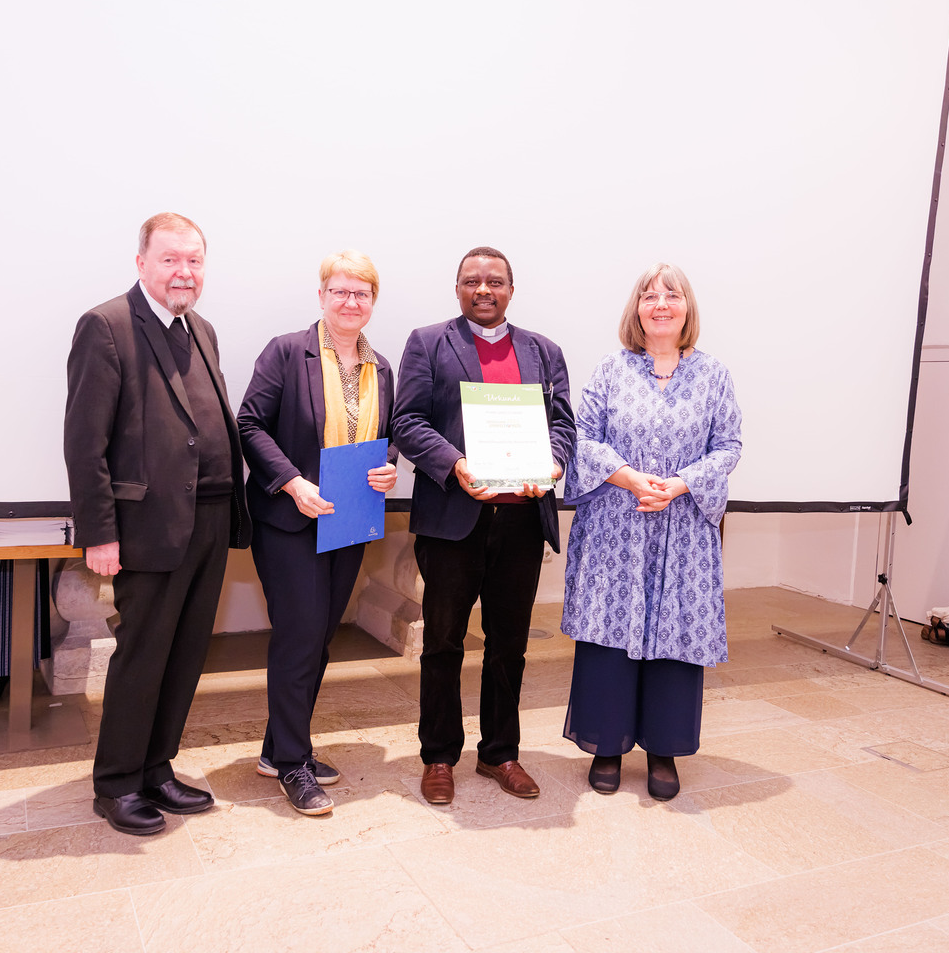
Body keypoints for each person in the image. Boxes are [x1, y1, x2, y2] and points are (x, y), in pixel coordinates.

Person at [64, 212, 251, 835]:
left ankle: (156, 767)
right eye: (171, 259)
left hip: (209, 519)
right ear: (142, 263)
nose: (184, 272)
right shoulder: (107, 326)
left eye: (194, 261)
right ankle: (117, 783)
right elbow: (85, 443)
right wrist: (99, 533)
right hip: (148, 527)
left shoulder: (201, 328)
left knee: (186, 653)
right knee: (144, 655)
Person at [392, 246, 575, 804]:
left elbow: (562, 425)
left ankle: (500, 752)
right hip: (453, 519)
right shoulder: (428, 343)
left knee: (508, 645)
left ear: (511, 291)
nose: (484, 290)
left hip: (520, 523)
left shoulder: (544, 351)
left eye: (495, 281)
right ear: (457, 290)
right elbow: (407, 421)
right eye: (472, 281)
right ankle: (439, 755)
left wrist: (553, 464)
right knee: (443, 642)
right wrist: (455, 464)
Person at [559, 262, 742, 800]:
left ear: (687, 308)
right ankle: (606, 744)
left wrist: (680, 485)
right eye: (649, 296)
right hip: (616, 527)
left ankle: (664, 749)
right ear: (636, 309)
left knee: (675, 633)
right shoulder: (611, 370)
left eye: (672, 295)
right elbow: (582, 437)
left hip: (683, 530)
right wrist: (631, 478)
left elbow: (728, 446)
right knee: (609, 633)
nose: (660, 304)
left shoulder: (714, 375)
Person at [236, 250, 398, 816]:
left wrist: (389, 466)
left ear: (373, 302)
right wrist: (291, 482)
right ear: (322, 296)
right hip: (290, 519)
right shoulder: (287, 352)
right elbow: (250, 424)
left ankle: (277, 747)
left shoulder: (382, 368)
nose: (351, 302)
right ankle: (293, 763)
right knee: (299, 636)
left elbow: (384, 437)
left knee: (319, 637)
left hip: (348, 521)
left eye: (362, 293)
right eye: (340, 291)